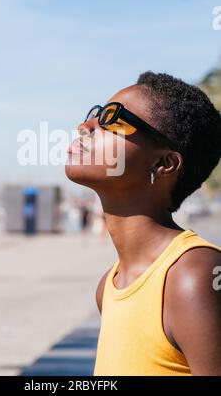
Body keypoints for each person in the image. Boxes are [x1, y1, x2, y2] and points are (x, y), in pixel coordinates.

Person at [65, 71, 221, 376]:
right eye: (95, 114)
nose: (85, 126)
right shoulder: (109, 285)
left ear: (163, 164)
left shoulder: (193, 276)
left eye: (112, 119)